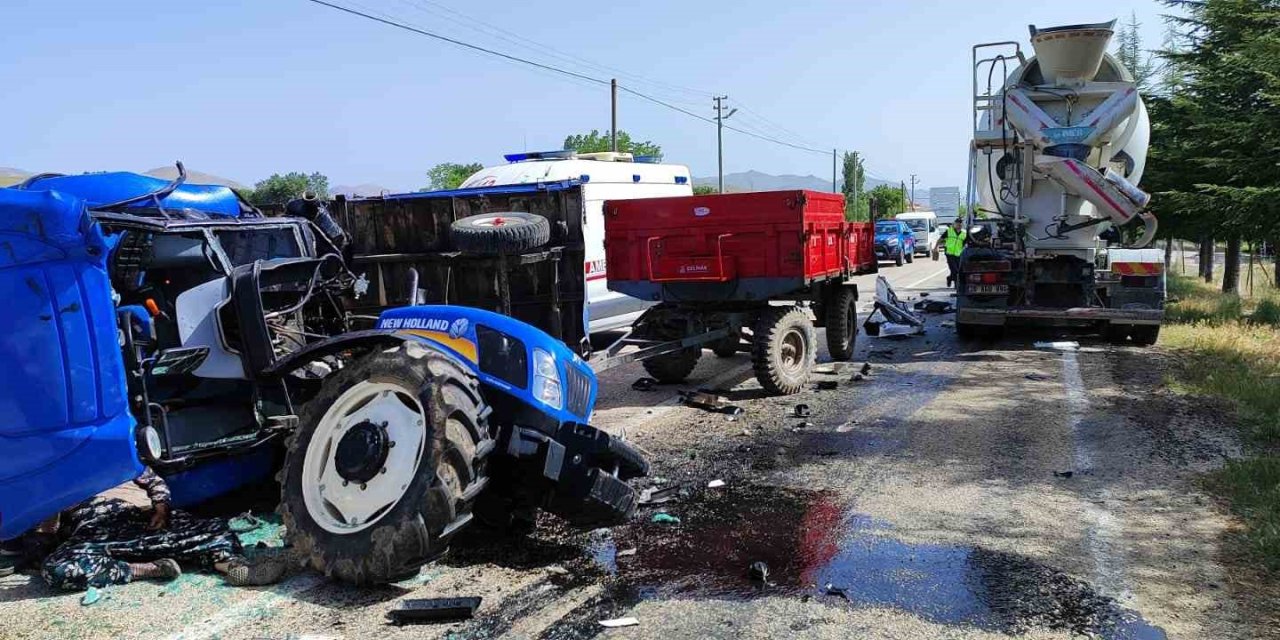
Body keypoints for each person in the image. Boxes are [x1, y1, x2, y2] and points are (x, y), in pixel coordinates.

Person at [40, 467, 287, 591]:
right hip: (98, 529)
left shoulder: (122, 460)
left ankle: (231, 566)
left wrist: (161, 509)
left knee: (213, 527)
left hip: (145, 519)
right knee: (58, 569)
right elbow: (47, 529)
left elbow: (156, 484)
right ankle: (146, 569)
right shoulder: (57, 479)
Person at [943, 219, 967, 288]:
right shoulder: (949, 231)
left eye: (960, 224)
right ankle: (957, 285)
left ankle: (950, 278)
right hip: (949, 253)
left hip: (958, 254)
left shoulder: (964, 233)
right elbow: (941, 239)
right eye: (957, 223)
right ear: (954, 224)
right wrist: (936, 248)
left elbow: (966, 243)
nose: (959, 225)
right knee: (954, 270)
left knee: (958, 270)